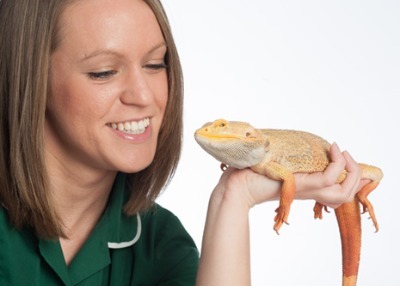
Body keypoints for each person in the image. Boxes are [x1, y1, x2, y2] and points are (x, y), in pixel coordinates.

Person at [0, 0, 365, 285]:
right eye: (104, 72)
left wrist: (234, 198)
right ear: (30, 81)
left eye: (156, 64)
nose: (144, 95)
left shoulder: (162, 243)